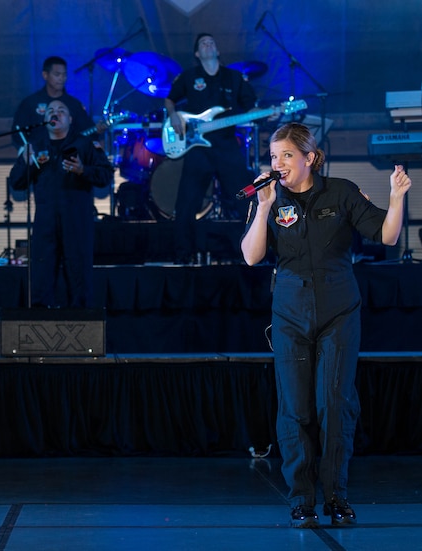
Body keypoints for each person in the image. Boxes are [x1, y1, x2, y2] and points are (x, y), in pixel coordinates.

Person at [240, 122, 411, 528]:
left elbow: (386, 236)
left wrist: (398, 197)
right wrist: (262, 207)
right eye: (273, 156)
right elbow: (251, 256)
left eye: (286, 155)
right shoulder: (270, 197)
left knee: (334, 404)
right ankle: (301, 497)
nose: (278, 163)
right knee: (295, 408)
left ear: (309, 158)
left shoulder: (341, 192)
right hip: (290, 310)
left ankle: (336, 495)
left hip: (338, 308)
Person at [8, 99, 113, 308]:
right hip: (45, 223)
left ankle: (82, 329)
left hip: (77, 223)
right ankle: (41, 327)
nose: (55, 113)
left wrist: (83, 170)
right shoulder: (35, 146)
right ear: (45, 118)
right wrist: (26, 164)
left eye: (61, 111)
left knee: (79, 278)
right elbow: (16, 183)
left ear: (70, 119)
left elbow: (106, 175)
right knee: (41, 278)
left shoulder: (84, 144)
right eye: (50, 111)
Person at [165, 33, 258, 264]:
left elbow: (250, 105)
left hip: (226, 144)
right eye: (203, 43)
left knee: (245, 197)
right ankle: (182, 255)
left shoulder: (234, 78)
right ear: (198, 54)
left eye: (212, 42)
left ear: (217, 51)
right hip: (198, 147)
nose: (208, 44)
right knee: (186, 202)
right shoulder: (189, 77)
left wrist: (266, 113)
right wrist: (173, 115)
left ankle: (253, 252)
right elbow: (169, 99)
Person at [11, 56, 102, 151]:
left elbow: (87, 131)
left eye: (64, 75)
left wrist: (97, 130)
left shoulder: (74, 104)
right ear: (45, 75)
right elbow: (18, 133)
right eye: (57, 74)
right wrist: (26, 151)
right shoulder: (30, 103)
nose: (61, 79)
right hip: (39, 159)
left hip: (68, 160)